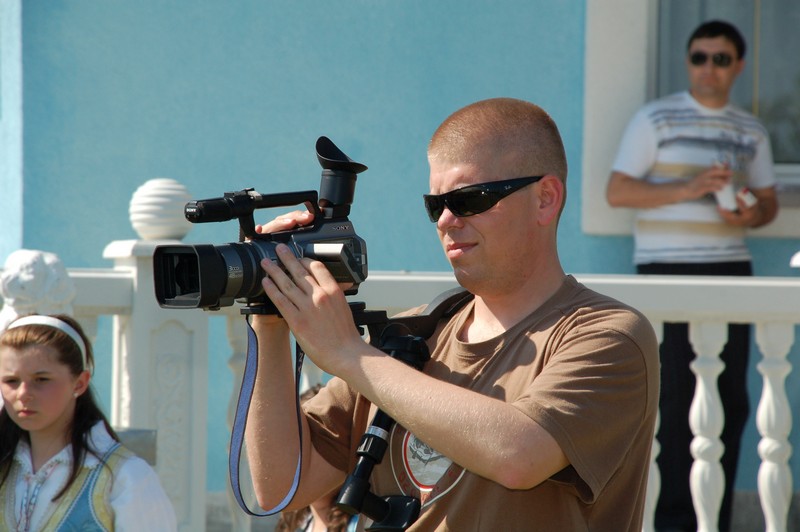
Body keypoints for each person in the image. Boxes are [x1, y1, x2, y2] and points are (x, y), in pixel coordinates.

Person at [245, 97, 660, 531]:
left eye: (468, 199)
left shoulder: (609, 335)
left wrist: (349, 354)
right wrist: (269, 311)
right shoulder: (410, 335)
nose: (445, 220)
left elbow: (519, 456)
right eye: (435, 204)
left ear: (545, 199)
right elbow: (281, 486)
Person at [605, 20, 778, 532]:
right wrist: (691, 188)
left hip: (731, 271)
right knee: (676, 400)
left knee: (732, 401)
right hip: (668, 271)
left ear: (738, 66)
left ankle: (713, 520)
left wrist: (750, 213)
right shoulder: (656, 119)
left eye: (720, 59)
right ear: (688, 62)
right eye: (699, 57)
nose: (708, 68)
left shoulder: (750, 130)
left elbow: (768, 203)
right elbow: (618, 191)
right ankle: (674, 523)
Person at [0, 314, 177, 531]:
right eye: (11, 381)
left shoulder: (125, 477)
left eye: (41, 379)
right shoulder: (6, 466)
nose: (23, 394)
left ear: (80, 383)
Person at [275, 385, 358, 532]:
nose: (302, 458)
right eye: (297, 444)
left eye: (316, 447)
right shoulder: (299, 522)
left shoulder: (360, 523)